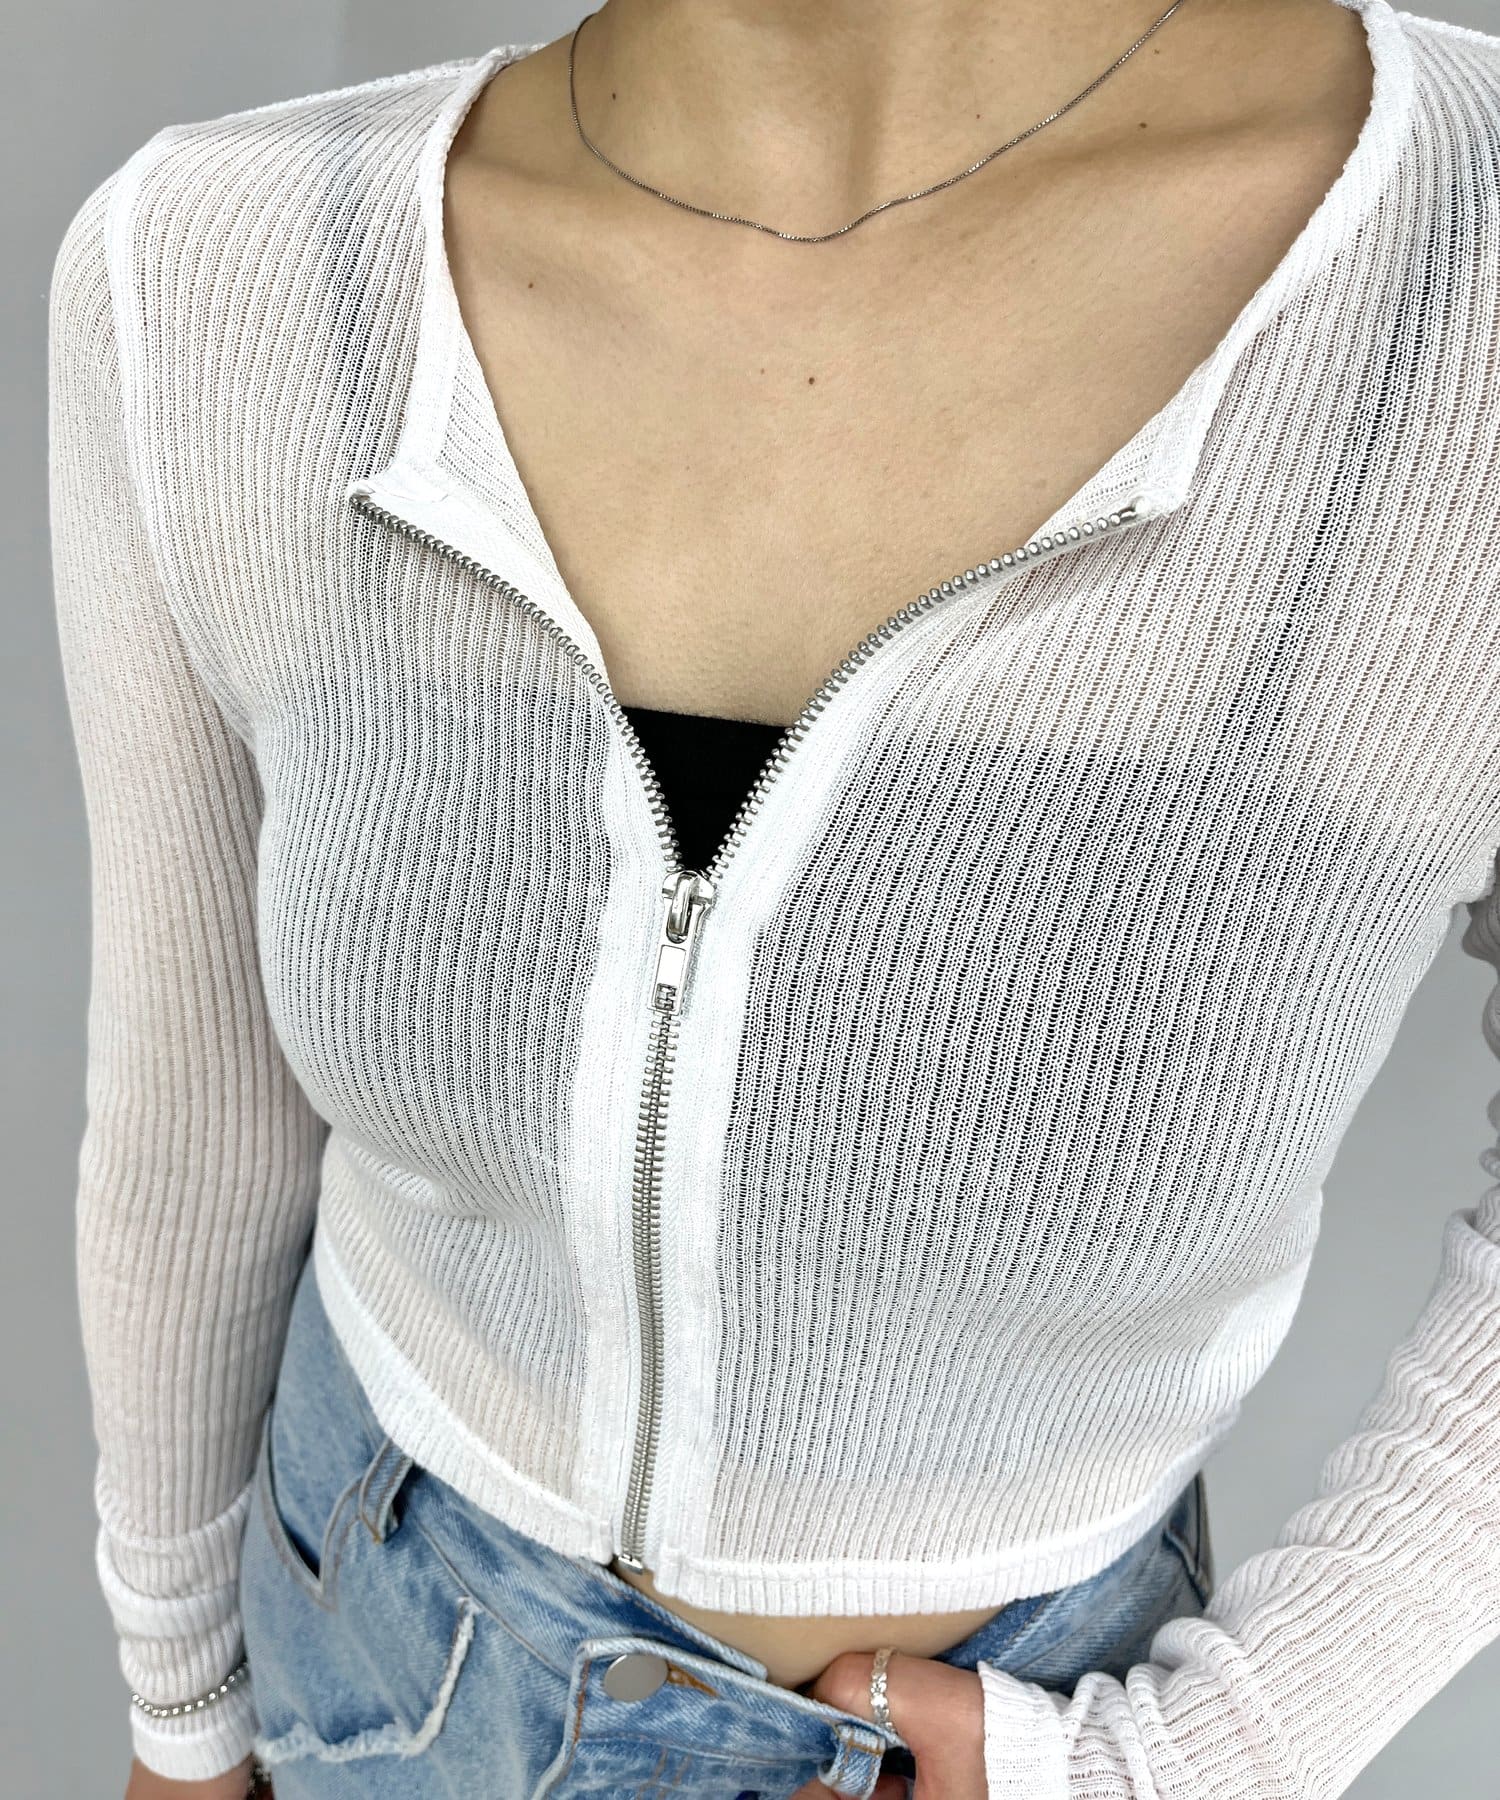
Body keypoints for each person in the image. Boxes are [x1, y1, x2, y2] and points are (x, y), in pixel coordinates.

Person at [46, 0, 1500, 1794]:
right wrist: (182, 1706)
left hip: (1031, 1719)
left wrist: (1215, 1752)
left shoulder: (1462, 275)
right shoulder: (226, 269)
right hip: (375, 1661)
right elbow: (193, 1114)